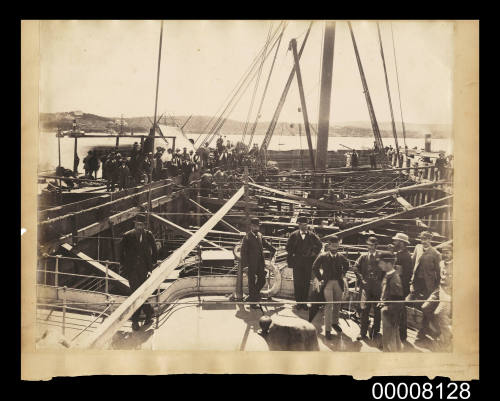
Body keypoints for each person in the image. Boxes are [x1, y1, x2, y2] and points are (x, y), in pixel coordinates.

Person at [119, 214, 158, 331]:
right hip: (132, 270)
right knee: (136, 294)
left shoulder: (148, 235)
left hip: (145, 270)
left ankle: (148, 313)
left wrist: (152, 265)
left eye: (142, 225)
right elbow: (121, 252)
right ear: (134, 224)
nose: (139, 227)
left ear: (144, 225)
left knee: (140, 293)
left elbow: (154, 249)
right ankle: (137, 320)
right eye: (138, 224)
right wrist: (123, 265)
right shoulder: (127, 236)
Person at [311, 235, 350, 339]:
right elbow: (314, 267)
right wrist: (320, 278)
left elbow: (347, 264)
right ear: (329, 246)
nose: (335, 248)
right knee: (329, 305)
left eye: (337, 246)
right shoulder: (323, 256)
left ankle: (335, 323)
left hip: (338, 283)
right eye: (333, 246)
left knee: (337, 305)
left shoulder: (341, 257)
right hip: (327, 284)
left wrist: (343, 273)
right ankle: (328, 330)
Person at [406, 231, 441, 340]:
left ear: (430, 239)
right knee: (407, 301)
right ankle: (404, 325)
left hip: (428, 285)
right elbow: (412, 263)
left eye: (427, 239)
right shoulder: (418, 247)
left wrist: (436, 288)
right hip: (416, 282)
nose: (424, 241)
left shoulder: (436, 254)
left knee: (426, 308)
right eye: (422, 239)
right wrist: (411, 281)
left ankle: (422, 332)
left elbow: (439, 273)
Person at [286, 216, 323, 310]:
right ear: (299, 225)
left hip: (308, 263)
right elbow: (288, 247)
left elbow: (319, 245)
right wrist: (293, 254)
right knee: (297, 283)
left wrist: (313, 253)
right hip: (297, 263)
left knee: (306, 283)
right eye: (303, 225)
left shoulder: (312, 235)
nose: (305, 226)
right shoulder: (293, 235)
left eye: (306, 225)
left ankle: (304, 303)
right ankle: (298, 303)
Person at [240, 217, 276, 308]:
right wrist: (245, 266)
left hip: (260, 263)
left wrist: (274, 249)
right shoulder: (247, 237)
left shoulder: (260, 235)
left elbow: (266, 244)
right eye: (255, 226)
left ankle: (253, 296)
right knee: (251, 282)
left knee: (262, 280)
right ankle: (253, 303)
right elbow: (243, 252)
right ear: (251, 226)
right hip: (251, 264)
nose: (257, 228)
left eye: (258, 226)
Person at [354, 236, 384, 341]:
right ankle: (362, 333)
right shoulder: (363, 257)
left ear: (376, 246)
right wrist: (361, 279)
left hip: (377, 289)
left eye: (373, 245)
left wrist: (382, 282)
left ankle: (375, 332)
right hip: (366, 288)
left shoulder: (380, 257)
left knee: (377, 311)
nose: (370, 247)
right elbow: (355, 268)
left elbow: (386, 270)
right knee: (364, 310)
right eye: (369, 245)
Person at [377, 252, 404, 352]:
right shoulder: (388, 275)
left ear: (388, 264)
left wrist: (387, 308)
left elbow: (397, 299)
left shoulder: (394, 278)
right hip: (386, 309)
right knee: (392, 336)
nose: (379, 265)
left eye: (381, 263)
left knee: (390, 337)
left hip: (390, 313)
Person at [392, 232, 412, 343]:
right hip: (401, 287)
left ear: (402, 243)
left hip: (400, 288)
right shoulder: (402, 254)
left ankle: (401, 335)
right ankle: (402, 335)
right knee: (400, 310)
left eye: (396, 241)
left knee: (399, 311)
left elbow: (399, 274)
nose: (394, 242)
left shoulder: (403, 256)